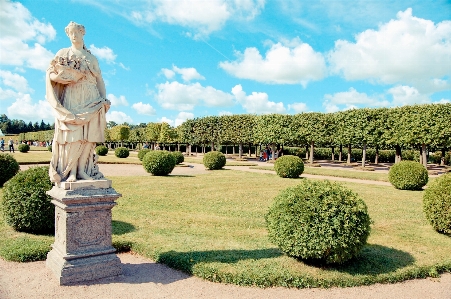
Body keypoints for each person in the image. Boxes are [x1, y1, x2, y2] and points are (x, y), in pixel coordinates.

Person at [46, 21, 110, 183]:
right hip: (73, 95)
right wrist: (63, 77)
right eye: (70, 33)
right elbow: (51, 74)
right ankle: (71, 172)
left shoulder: (91, 58)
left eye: (76, 32)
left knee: (89, 137)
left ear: (83, 33)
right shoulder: (64, 53)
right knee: (74, 135)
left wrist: (103, 99)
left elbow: (100, 80)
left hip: (92, 97)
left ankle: (83, 170)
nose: (73, 36)